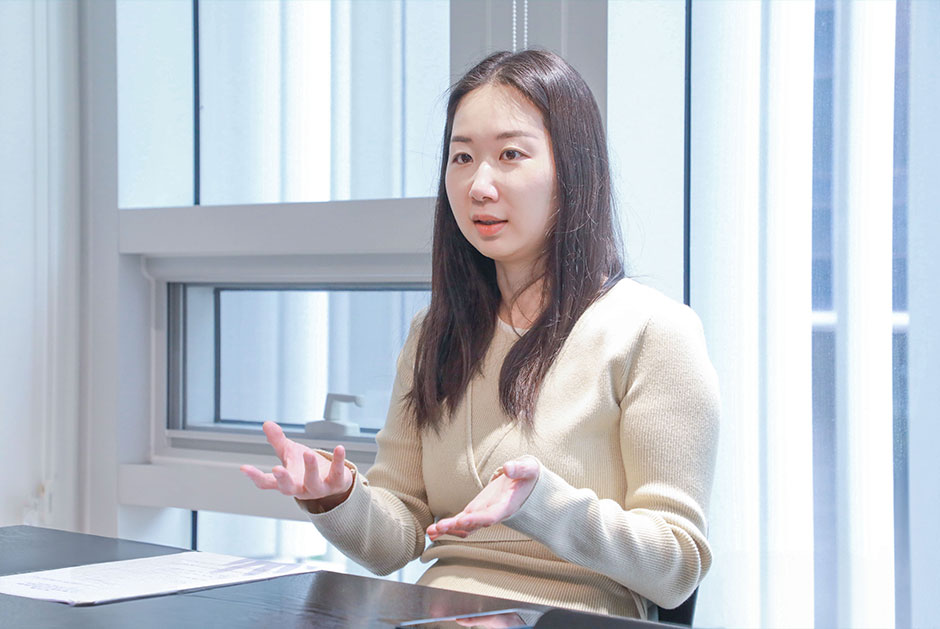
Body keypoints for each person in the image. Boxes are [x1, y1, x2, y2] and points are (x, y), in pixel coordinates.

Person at [241, 50, 719, 621]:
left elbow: (676, 569)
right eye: (462, 157)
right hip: (434, 612)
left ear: (573, 168)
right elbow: (397, 539)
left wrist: (543, 503)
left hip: (570, 616)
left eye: (510, 155)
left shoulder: (652, 330)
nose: (479, 185)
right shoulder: (434, 332)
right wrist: (336, 496)